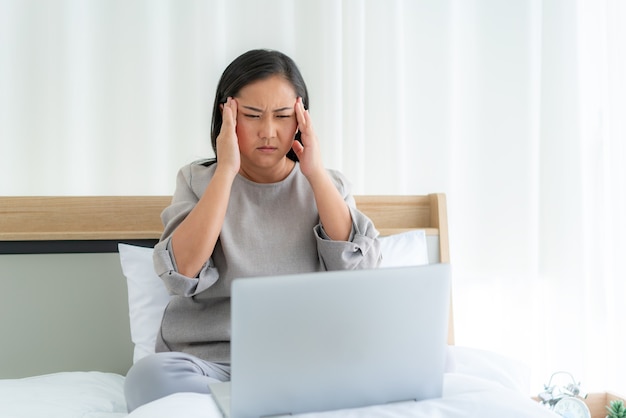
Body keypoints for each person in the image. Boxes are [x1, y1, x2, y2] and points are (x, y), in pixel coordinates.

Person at [124, 48, 381, 412]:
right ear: (227, 116)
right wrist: (226, 170)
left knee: (427, 361)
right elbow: (180, 273)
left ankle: (259, 401)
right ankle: (272, 401)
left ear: (301, 119)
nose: (268, 131)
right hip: (212, 362)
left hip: (304, 357)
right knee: (148, 378)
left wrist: (315, 174)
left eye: (282, 116)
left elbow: (358, 271)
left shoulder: (327, 184)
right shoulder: (197, 180)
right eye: (252, 115)